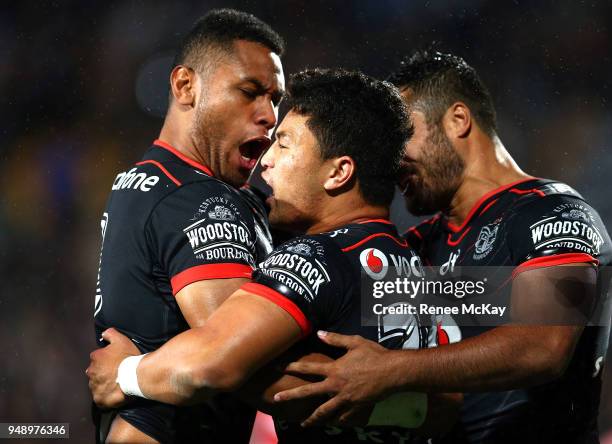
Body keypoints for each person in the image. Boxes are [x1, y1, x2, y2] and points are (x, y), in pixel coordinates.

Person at [87, 68, 455, 444]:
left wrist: (125, 374)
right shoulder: (421, 267)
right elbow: (445, 406)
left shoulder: (312, 257)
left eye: (284, 144)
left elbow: (210, 363)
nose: (267, 161)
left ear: (338, 172)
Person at [271, 50, 612, 444]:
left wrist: (393, 369)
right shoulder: (417, 245)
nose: (393, 159)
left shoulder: (557, 215)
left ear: (458, 120)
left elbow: (542, 346)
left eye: (403, 137)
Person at [91, 9, 285, 443]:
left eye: (275, 99)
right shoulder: (198, 200)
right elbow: (238, 361)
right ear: (185, 86)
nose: (270, 116)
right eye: (250, 91)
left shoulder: (144, 180)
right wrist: (386, 382)